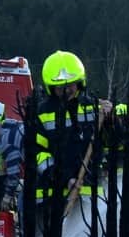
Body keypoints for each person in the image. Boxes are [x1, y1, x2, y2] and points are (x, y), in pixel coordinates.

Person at [32, 50, 104, 207]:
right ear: (51, 88)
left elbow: (108, 143)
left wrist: (112, 120)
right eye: (60, 87)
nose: (66, 90)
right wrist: (65, 178)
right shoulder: (42, 113)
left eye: (70, 85)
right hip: (51, 196)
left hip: (89, 195)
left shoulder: (93, 108)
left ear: (79, 83)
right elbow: (38, 154)